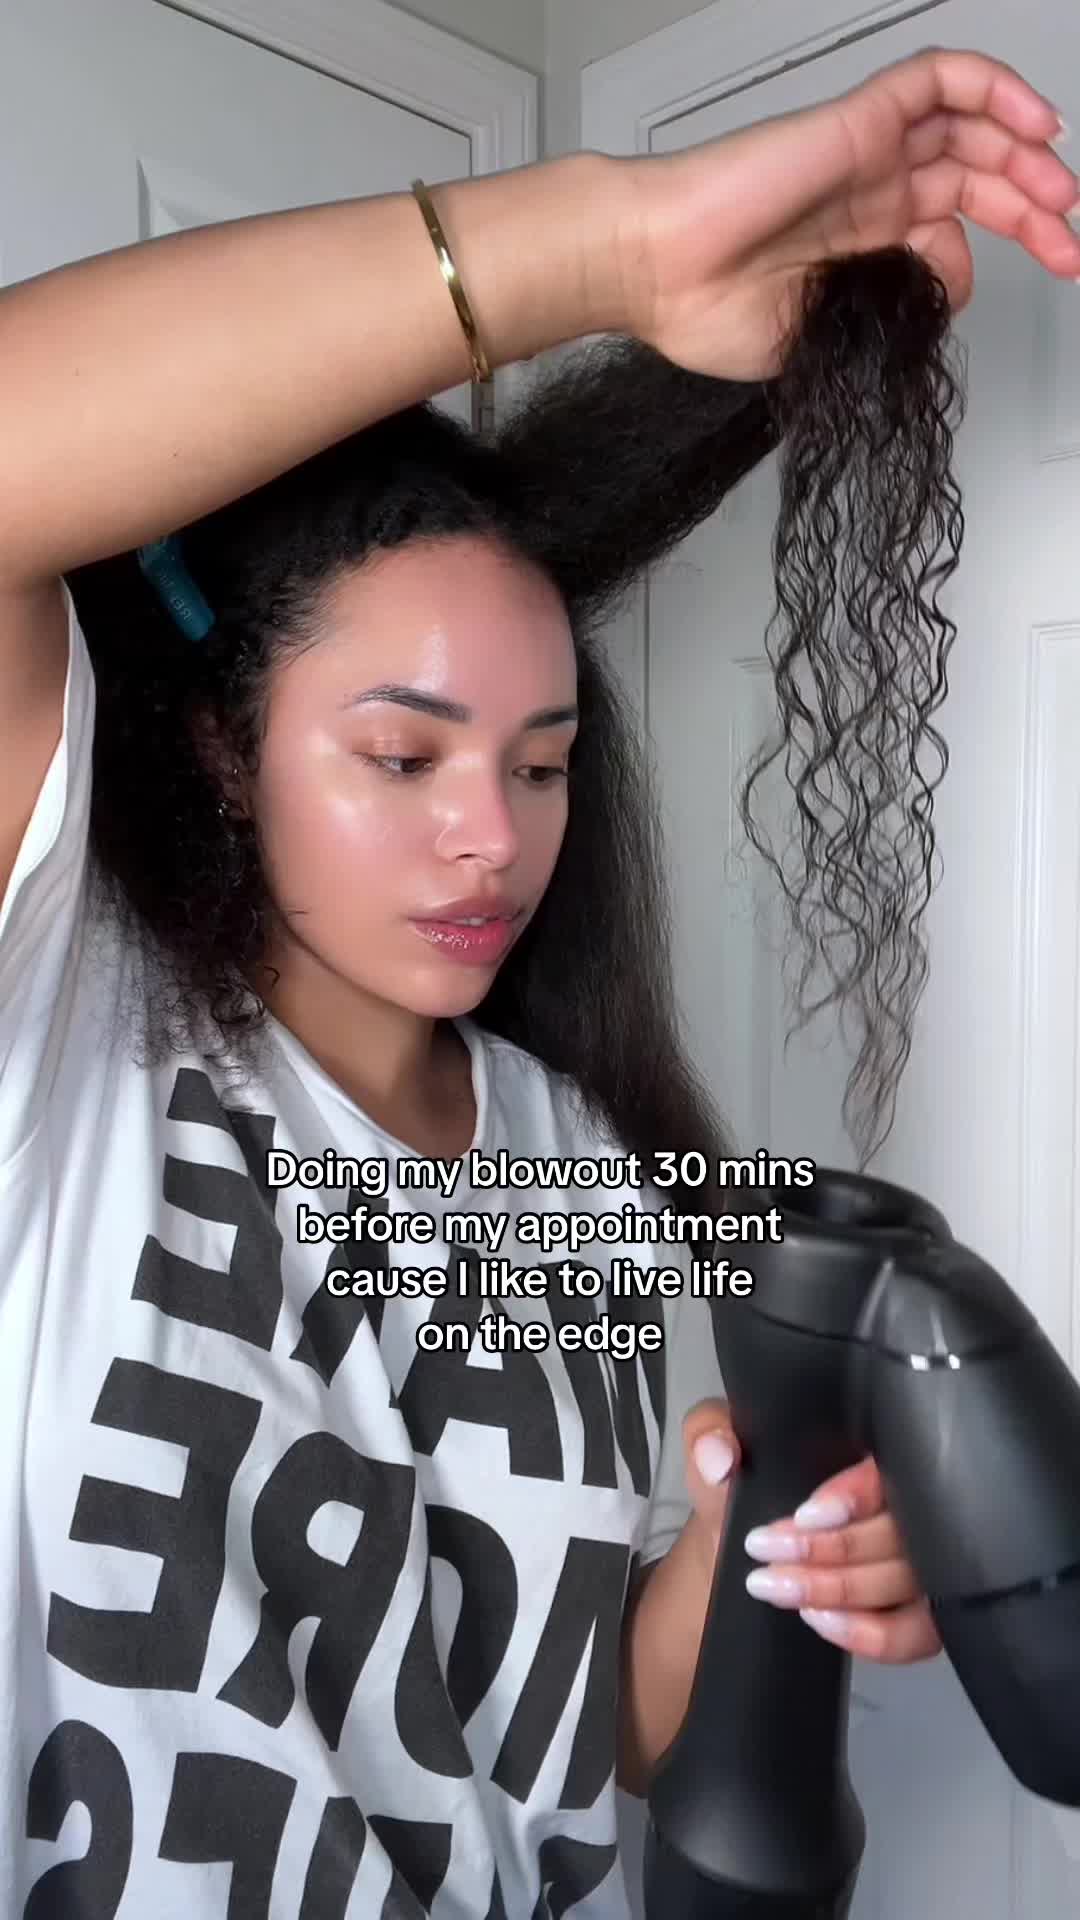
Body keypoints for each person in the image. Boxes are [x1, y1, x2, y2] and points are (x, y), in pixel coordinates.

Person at [0, 41, 1076, 1919]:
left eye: (545, 762)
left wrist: (771, 1541)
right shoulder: (74, 1042)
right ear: (222, 751)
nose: (492, 835)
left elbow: (602, 1729)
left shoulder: (570, 1161)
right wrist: (609, 249)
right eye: (403, 756)